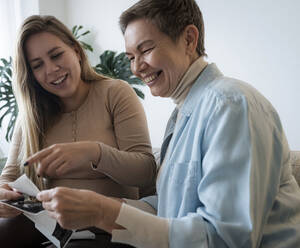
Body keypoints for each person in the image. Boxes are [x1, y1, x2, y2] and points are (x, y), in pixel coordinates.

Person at [34, 0, 300, 247]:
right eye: (130, 57)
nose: (136, 68)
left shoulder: (229, 105)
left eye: (145, 49)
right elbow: (173, 207)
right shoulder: (185, 113)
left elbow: (225, 238)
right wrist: (108, 206)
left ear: (188, 39)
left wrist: (103, 212)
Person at [0, 15, 156, 248]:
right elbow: (9, 174)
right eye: (37, 65)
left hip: (105, 223)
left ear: (76, 51)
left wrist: (94, 153)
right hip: (48, 223)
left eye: (56, 55)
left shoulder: (115, 93)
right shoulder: (32, 114)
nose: (51, 70)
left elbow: (145, 171)